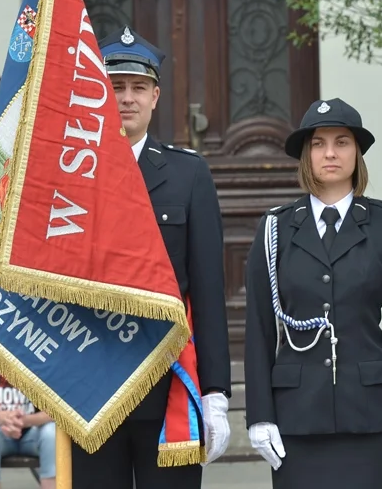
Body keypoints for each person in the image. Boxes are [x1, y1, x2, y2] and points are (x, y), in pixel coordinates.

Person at [70, 26, 232, 489]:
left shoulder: (188, 174)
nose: (126, 98)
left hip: (168, 385)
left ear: (156, 96)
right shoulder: (72, 175)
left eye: (138, 88)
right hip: (90, 383)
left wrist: (216, 391)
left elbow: (206, 290)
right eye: (115, 86)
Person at [243, 98, 382, 489]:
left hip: (372, 415)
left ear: (357, 154)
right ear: (306, 155)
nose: (330, 153)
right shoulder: (275, 229)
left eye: (342, 142)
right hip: (298, 417)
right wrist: (259, 414)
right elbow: (259, 329)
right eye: (318, 143)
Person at [0, 372, 56, 489]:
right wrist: (3, 418)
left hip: (34, 431)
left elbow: (57, 411)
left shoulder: (38, 365)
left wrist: (25, 421)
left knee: (52, 433)